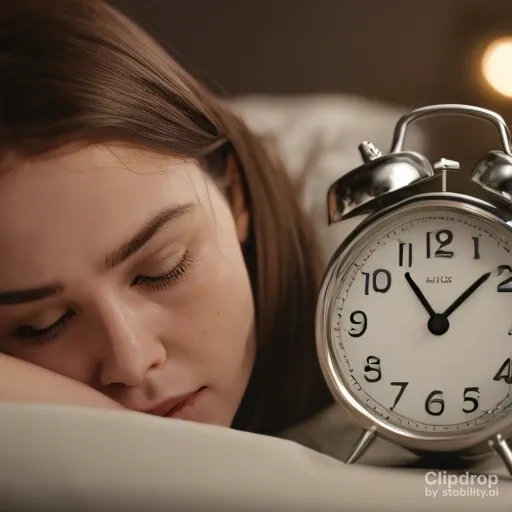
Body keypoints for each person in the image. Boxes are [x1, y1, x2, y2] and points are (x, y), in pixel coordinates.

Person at [0, 0, 333, 437]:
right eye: (42, 326)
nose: (132, 362)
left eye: (164, 269)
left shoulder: (381, 238)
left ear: (234, 196)